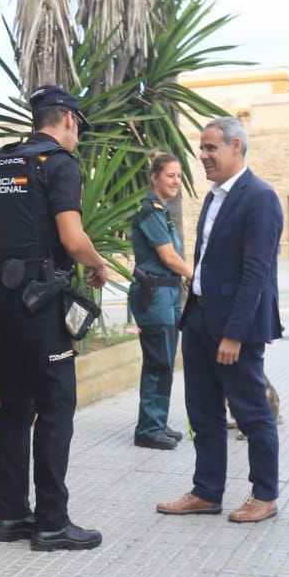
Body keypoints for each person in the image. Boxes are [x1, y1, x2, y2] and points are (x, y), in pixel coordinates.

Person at [0, 84, 109, 552]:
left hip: (2, 297)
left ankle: (13, 517)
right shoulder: (59, 165)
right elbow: (73, 239)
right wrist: (97, 265)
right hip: (41, 301)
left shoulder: (0, 161)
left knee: (16, 406)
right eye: (78, 129)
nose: (77, 137)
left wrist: (0, 235)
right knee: (57, 407)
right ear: (68, 121)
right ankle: (52, 523)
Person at [155, 116, 283, 524]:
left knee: (251, 412)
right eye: (202, 146)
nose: (202, 155)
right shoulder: (214, 197)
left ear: (236, 147)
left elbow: (256, 273)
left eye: (211, 147)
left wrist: (235, 334)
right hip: (198, 320)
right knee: (201, 411)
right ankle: (207, 491)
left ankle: (264, 495)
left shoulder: (259, 197)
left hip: (232, 330)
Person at [128, 151, 191, 450]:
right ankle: (148, 430)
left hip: (167, 294)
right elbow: (168, 257)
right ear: (154, 177)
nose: (176, 180)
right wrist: (194, 275)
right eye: (170, 175)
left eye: (179, 175)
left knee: (164, 361)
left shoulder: (161, 212)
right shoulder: (149, 211)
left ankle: (157, 422)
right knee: (157, 362)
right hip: (154, 297)